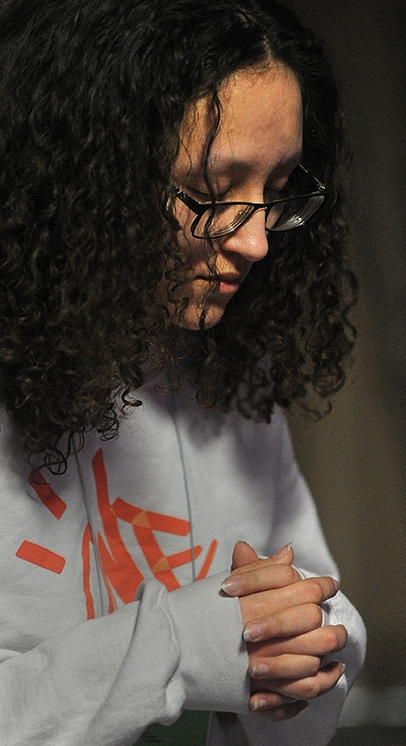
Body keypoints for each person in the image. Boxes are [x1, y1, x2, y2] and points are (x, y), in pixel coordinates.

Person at [0, 0, 366, 744]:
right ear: (86, 174)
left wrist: (314, 643)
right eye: (209, 190)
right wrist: (179, 646)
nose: (257, 241)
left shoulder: (235, 373)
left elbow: (324, 609)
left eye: (278, 188)